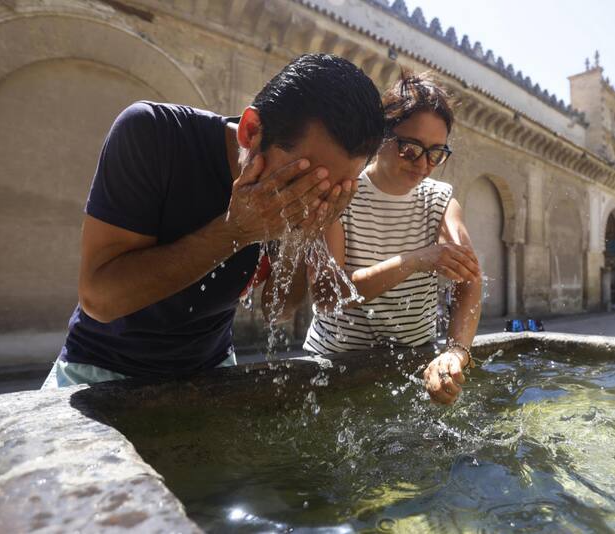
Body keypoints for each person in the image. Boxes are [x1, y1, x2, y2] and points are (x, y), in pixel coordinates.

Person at [41, 54, 385, 388]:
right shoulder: (155, 135)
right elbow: (99, 299)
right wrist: (235, 230)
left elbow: (277, 311)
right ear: (251, 132)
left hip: (212, 372)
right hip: (100, 370)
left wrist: (302, 236)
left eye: (332, 190)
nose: (310, 199)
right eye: (301, 182)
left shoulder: (300, 195)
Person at [304, 71, 482, 405]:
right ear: (381, 134)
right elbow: (327, 293)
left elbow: (469, 281)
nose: (424, 165)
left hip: (412, 364)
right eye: (411, 148)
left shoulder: (440, 200)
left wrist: (456, 352)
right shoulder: (343, 190)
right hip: (334, 364)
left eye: (436, 153)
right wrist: (416, 259)